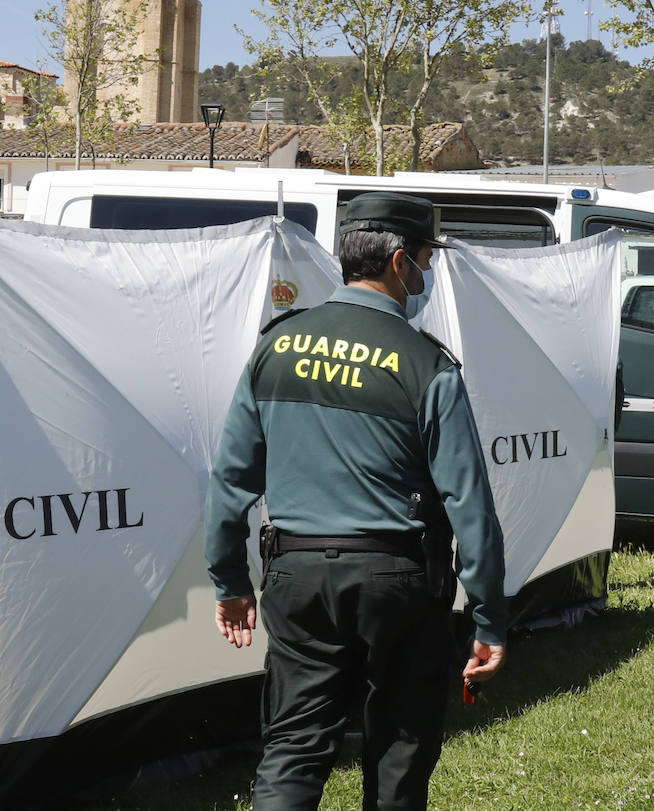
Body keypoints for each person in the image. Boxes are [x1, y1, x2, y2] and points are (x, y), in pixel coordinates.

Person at [204, 192, 508, 810]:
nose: (426, 275)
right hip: (399, 579)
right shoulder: (428, 366)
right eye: (425, 260)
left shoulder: (275, 347)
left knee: (293, 746)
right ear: (401, 262)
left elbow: (231, 480)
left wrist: (230, 581)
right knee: (398, 746)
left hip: (296, 576)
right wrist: (488, 619)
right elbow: (469, 505)